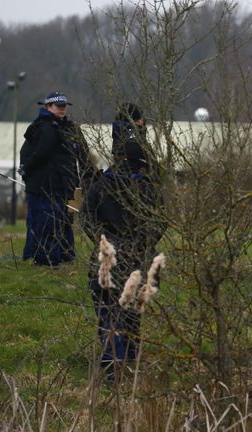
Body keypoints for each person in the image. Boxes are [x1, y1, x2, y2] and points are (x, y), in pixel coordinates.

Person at [82, 103, 164, 381]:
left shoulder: (99, 186)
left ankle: (112, 367)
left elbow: (86, 220)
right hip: (139, 259)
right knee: (131, 313)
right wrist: (145, 244)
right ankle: (127, 362)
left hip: (107, 260)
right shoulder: (149, 190)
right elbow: (159, 223)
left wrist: (102, 241)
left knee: (108, 314)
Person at [19, 91, 94, 266]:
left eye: (64, 106)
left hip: (63, 185)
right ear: (48, 106)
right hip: (42, 186)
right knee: (43, 222)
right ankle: (43, 259)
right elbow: (35, 153)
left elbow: (83, 155)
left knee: (62, 221)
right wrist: (26, 170)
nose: (62, 109)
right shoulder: (42, 128)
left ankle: (63, 256)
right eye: (58, 106)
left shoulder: (71, 128)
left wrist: (88, 177)